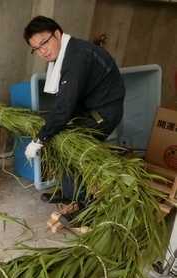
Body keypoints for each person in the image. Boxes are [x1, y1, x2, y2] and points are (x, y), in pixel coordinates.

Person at [23, 16, 126, 216]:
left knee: (74, 150)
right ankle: (70, 192)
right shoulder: (69, 52)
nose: (42, 50)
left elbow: (65, 106)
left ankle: (85, 208)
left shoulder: (76, 58)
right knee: (63, 142)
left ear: (58, 34)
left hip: (104, 112)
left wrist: (39, 139)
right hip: (91, 110)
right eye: (36, 48)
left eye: (44, 42)